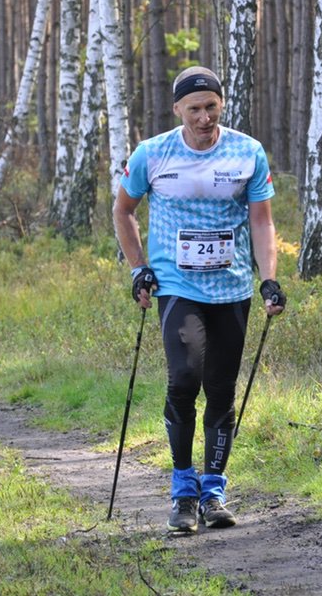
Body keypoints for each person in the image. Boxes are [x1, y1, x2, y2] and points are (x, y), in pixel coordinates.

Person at [113, 66, 286, 534]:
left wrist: (269, 279)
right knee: (185, 377)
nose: (204, 117)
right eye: (194, 109)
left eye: (211, 107)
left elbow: (262, 221)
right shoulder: (152, 154)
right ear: (177, 109)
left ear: (222, 104)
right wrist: (138, 268)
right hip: (176, 286)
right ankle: (183, 492)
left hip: (232, 288)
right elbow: (123, 211)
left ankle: (213, 492)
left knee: (222, 390)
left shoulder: (247, 152)